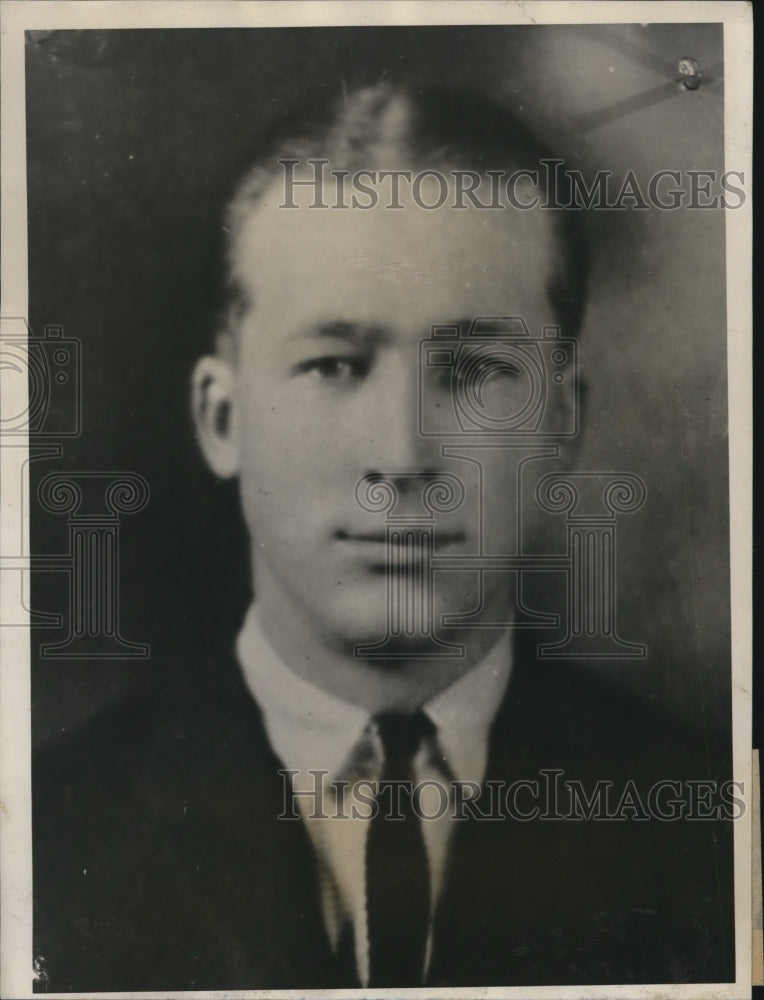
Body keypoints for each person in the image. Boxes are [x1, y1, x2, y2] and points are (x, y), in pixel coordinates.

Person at [32, 83, 734, 992]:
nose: (401, 455)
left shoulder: (710, 833)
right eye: (334, 364)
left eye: (473, 369)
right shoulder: (45, 835)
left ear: (561, 421)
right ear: (221, 416)